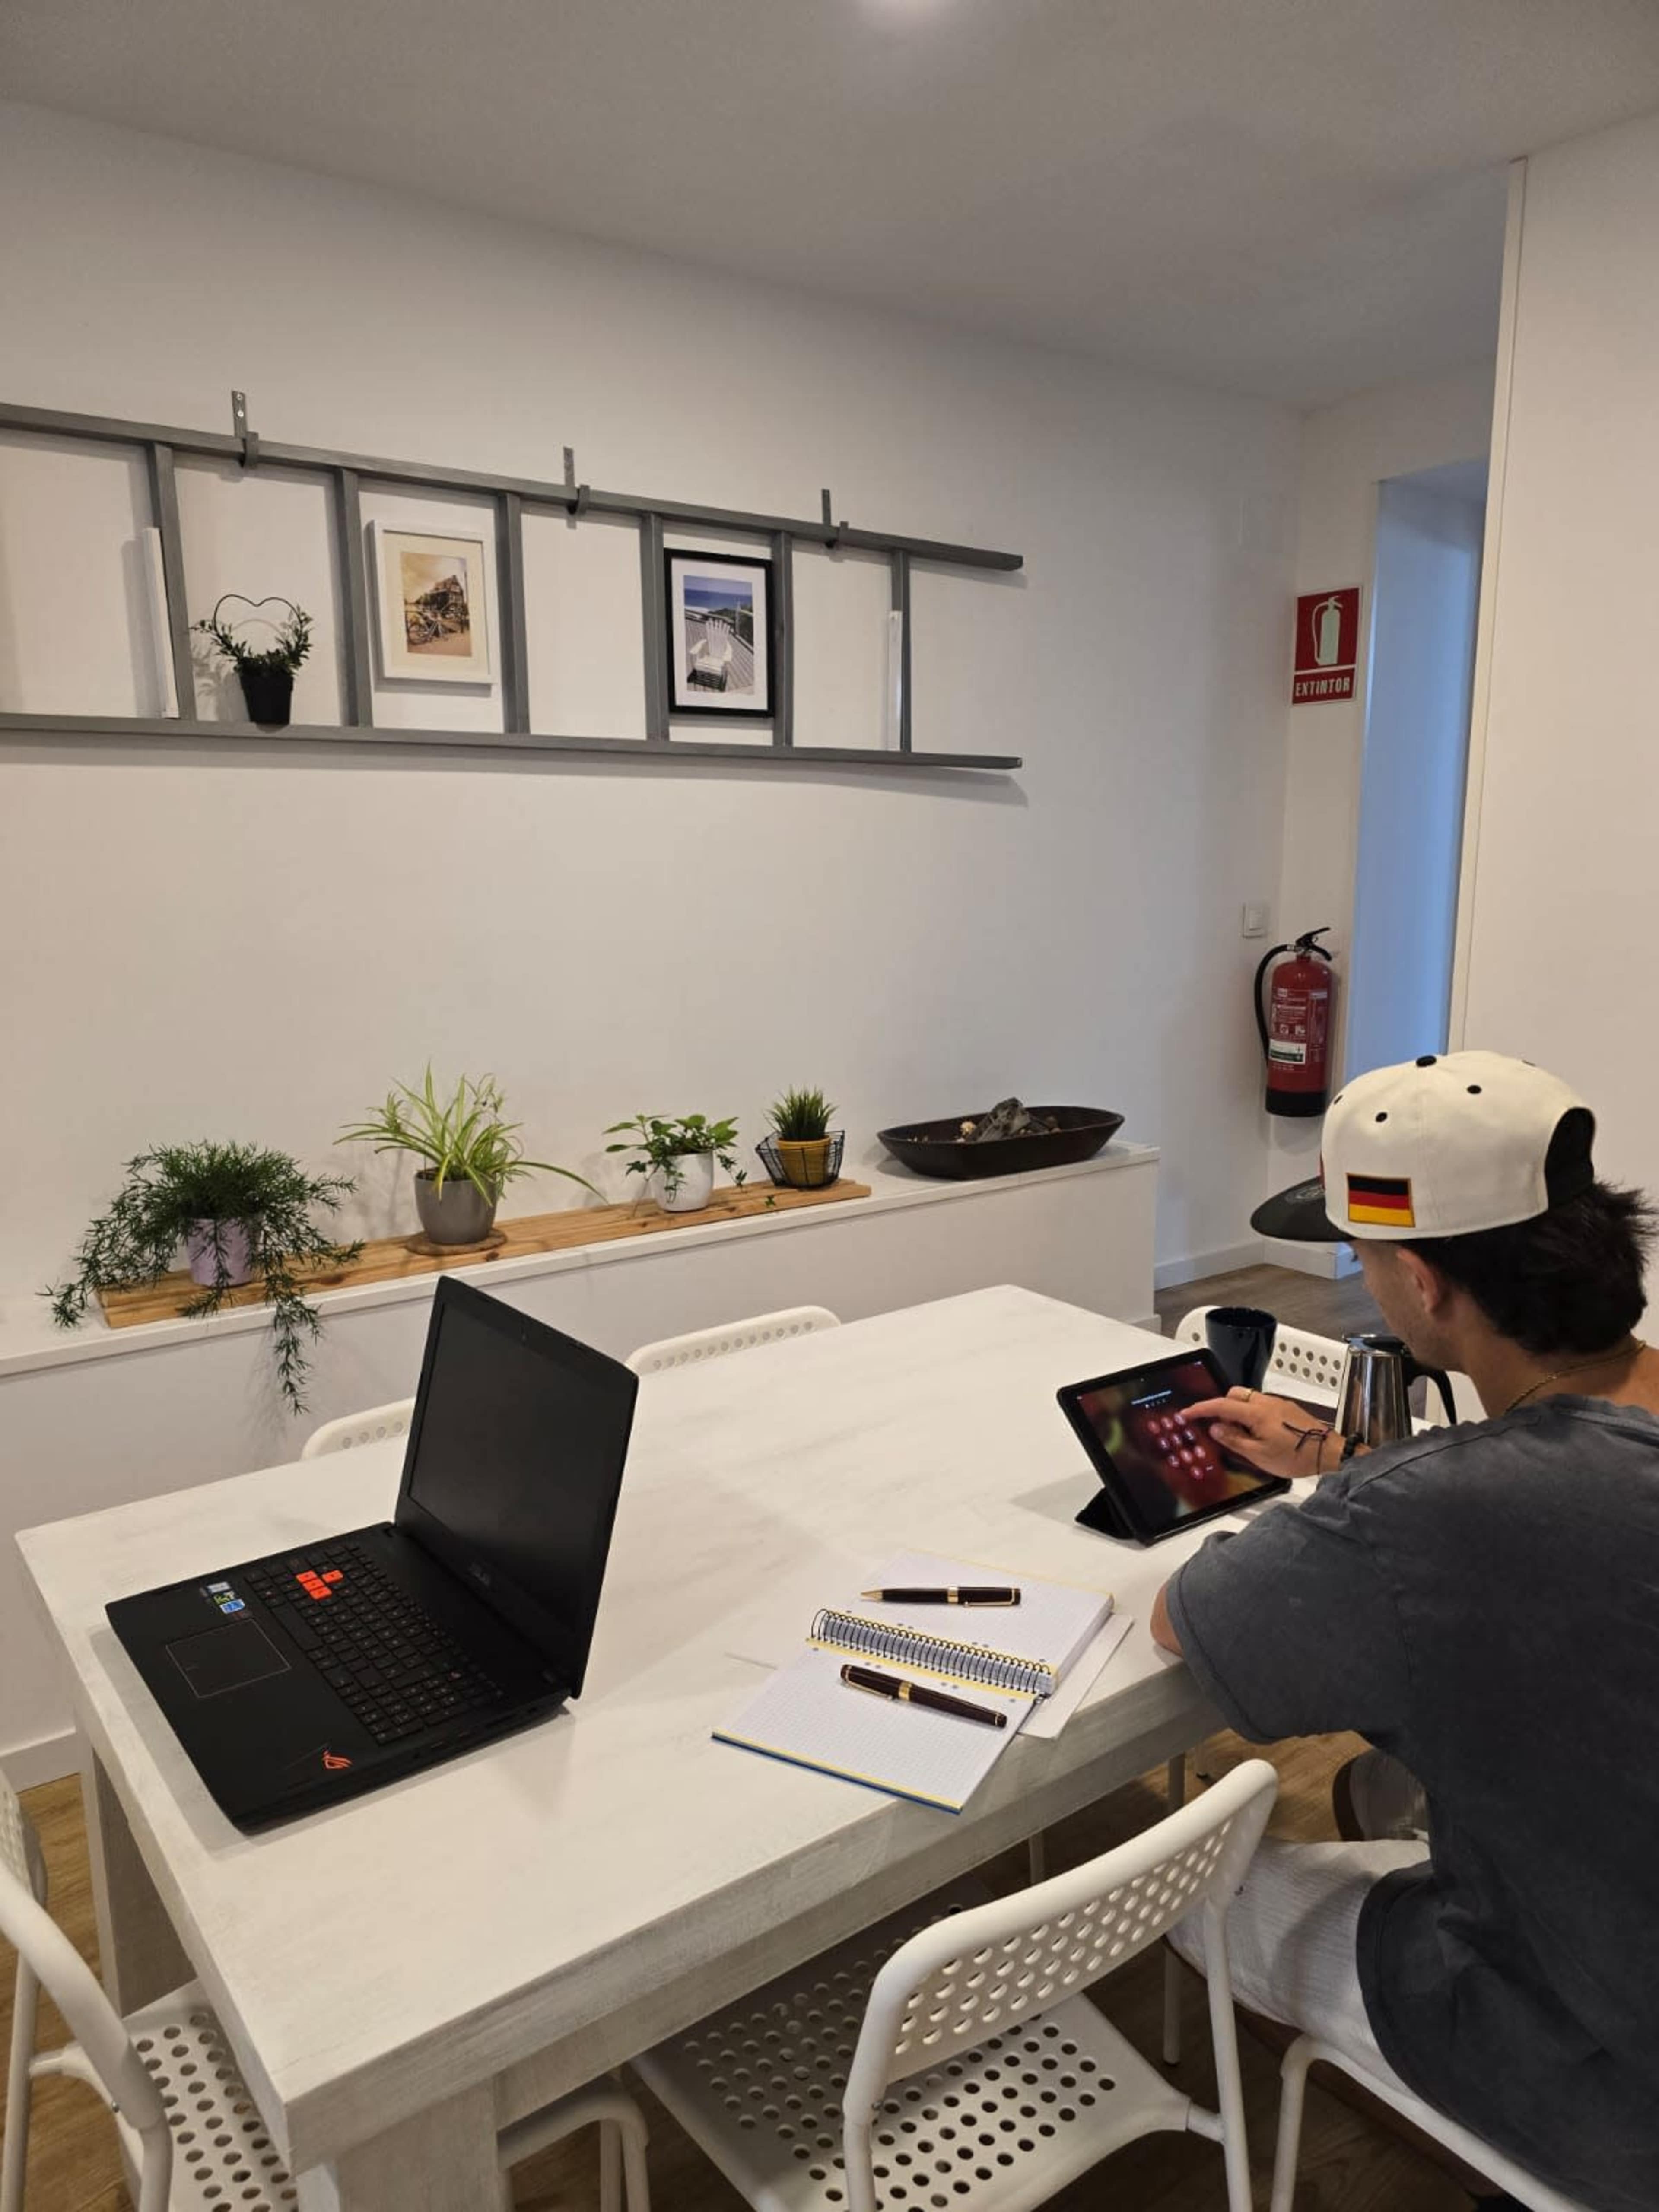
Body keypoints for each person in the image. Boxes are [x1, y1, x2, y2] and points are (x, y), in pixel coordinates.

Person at [1150, 1050, 1659, 2212]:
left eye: (1367, 1258)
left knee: (1197, 1899)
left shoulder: (1436, 1513)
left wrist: (1358, 1500)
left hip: (1612, 2084)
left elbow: (1191, 1620)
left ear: (1424, 1285)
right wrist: (1342, 1460)